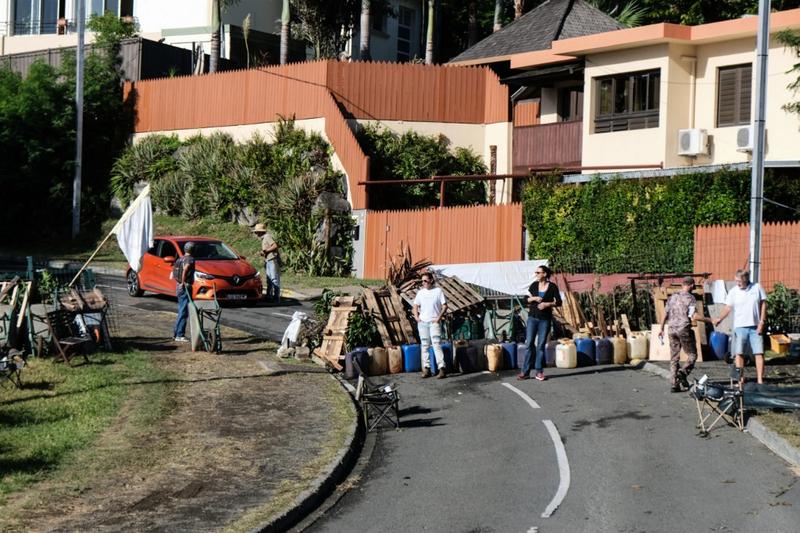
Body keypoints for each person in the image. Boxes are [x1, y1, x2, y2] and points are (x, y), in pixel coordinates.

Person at [714, 269, 767, 384]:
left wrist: (761, 322)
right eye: (736, 280)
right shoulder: (733, 292)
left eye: (739, 281)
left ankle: (760, 380)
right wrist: (719, 318)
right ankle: (740, 379)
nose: (737, 283)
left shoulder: (757, 288)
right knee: (739, 353)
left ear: (746, 279)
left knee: (759, 353)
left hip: (755, 326)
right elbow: (728, 308)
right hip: (740, 327)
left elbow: (763, 304)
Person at [518, 265, 562, 381]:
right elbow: (525, 299)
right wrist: (533, 299)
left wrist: (547, 304)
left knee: (541, 346)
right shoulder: (533, 285)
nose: (536, 274)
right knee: (528, 345)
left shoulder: (552, 287)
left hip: (545, 320)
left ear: (545, 274)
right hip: (532, 318)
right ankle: (525, 372)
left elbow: (559, 302)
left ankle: (539, 372)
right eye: (536, 272)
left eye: (538, 272)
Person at [658, 276, 699, 392]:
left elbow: (665, 314)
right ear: (691, 285)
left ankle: (674, 384)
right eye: (693, 285)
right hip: (684, 329)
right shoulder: (691, 298)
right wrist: (709, 320)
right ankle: (683, 372)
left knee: (674, 358)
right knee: (692, 355)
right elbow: (692, 315)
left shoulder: (672, 297)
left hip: (671, 329)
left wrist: (661, 329)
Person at [413, 272, 448, 379]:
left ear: (431, 280)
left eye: (425, 281)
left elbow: (445, 306)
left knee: (436, 344)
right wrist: (416, 317)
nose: (423, 283)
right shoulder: (420, 293)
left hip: (434, 323)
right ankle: (426, 369)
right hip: (423, 323)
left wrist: (438, 318)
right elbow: (415, 305)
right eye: (422, 281)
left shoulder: (438, 291)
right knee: (424, 346)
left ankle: (442, 369)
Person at [173, 241, 196, 342]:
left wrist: (179, 283)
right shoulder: (190, 259)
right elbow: (185, 269)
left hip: (178, 286)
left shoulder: (180, 258)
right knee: (183, 311)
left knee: (181, 310)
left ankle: (176, 333)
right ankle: (179, 335)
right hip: (185, 286)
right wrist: (183, 282)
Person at [254, 223, 281, 303]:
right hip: (268, 260)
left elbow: (275, 246)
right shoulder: (264, 238)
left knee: (274, 279)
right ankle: (269, 297)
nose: (256, 233)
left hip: (272, 260)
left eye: (257, 232)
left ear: (260, 232)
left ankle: (276, 297)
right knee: (269, 279)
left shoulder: (267, 237)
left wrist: (266, 251)